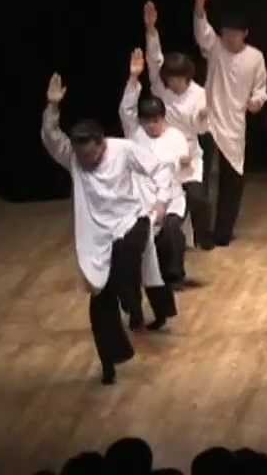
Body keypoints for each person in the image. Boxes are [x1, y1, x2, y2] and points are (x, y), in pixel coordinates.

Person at [40, 73, 174, 384]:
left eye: (91, 154)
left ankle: (134, 303)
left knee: (128, 261)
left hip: (131, 220)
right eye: (81, 155)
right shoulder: (74, 158)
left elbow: (159, 169)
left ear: (102, 143)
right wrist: (52, 106)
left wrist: (161, 202)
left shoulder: (123, 149)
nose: (86, 160)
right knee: (100, 299)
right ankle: (109, 360)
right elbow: (51, 137)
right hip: (97, 235)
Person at [191, 0, 267, 247]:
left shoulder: (255, 57)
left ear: (245, 33)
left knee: (232, 179)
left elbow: (261, 89)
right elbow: (202, 31)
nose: (229, 37)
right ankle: (203, 232)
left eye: (235, 33)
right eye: (226, 32)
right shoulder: (215, 48)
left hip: (235, 124)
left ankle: (223, 232)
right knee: (204, 178)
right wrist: (200, 4)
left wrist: (256, 102)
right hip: (210, 120)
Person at [118, 49, 183, 330]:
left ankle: (161, 311)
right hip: (135, 209)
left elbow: (169, 175)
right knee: (132, 266)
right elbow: (126, 111)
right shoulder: (134, 137)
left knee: (155, 265)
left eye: (157, 120)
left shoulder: (173, 138)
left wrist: (161, 205)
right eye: (147, 121)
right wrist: (134, 78)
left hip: (162, 204)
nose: (152, 125)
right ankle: (134, 310)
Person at [143, 0, 212, 250]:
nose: (172, 83)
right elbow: (154, 61)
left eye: (177, 78)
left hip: (189, 153)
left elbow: (202, 130)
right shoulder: (162, 90)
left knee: (197, 197)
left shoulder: (199, 94)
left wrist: (203, 117)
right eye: (170, 78)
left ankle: (204, 236)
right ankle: (168, 240)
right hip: (164, 152)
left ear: (186, 76)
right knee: (168, 201)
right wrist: (151, 29)